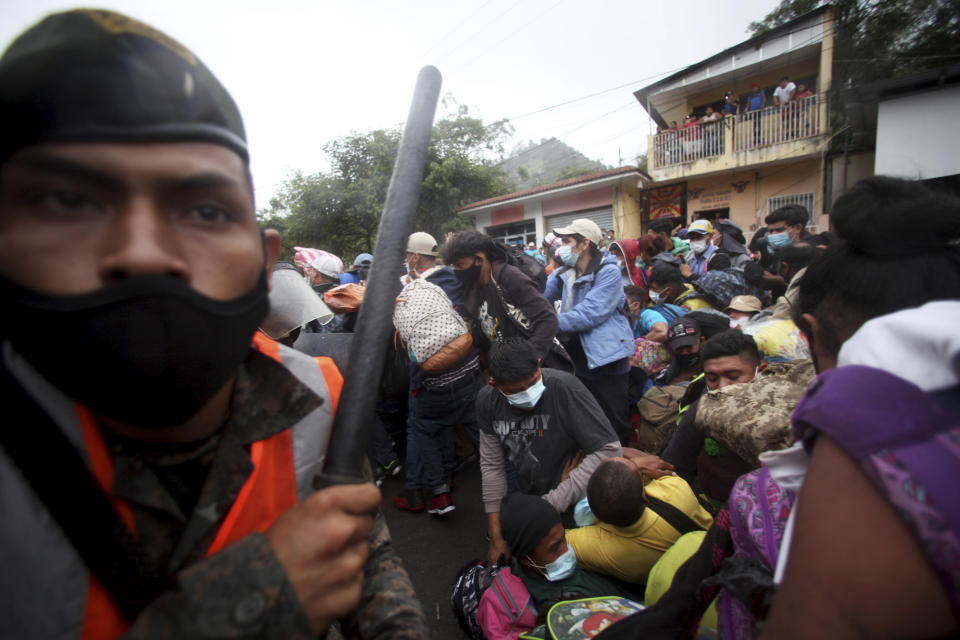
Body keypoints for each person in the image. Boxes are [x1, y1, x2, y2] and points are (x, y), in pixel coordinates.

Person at [0, 9, 425, 639]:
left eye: (203, 207)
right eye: (68, 200)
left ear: (264, 261)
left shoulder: (316, 395)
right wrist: (244, 607)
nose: (144, 252)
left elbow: (364, 557)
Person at [477, 338, 622, 565]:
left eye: (533, 382)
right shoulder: (487, 402)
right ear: (495, 384)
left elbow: (608, 450)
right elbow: (492, 466)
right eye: (516, 391)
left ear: (538, 364)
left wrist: (546, 506)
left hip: (577, 500)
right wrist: (496, 537)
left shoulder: (565, 388)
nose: (528, 394)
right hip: (534, 493)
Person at [392, 232, 484, 516]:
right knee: (481, 430)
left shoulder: (415, 290)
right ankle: (511, 480)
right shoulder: (457, 277)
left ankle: (434, 493)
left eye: (408, 255)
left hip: (432, 380)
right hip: (469, 368)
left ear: (415, 257)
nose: (406, 260)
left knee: (421, 427)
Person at [545, 218, 636, 444]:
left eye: (567, 241)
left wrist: (545, 323)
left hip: (606, 359)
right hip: (577, 359)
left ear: (584, 244)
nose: (562, 247)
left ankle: (623, 468)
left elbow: (589, 314)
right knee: (586, 419)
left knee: (614, 422)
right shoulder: (563, 273)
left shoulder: (608, 272)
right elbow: (539, 299)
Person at [565, 457, 714, 584]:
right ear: (643, 494)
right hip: (712, 550)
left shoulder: (610, 551)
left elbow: (559, 541)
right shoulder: (675, 487)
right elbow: (656, 467)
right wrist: (635, 464)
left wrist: (567, 487)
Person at [442, 231, 561, 367]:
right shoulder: (474, 289)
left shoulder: (508, 277)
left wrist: (530, 361)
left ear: (479, 259)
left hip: (536, 371)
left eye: (459, 265)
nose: (456, 271)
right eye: (453, 266)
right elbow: (489, 331)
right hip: (507, 372)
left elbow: (547, 318)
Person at [499, 493, 636, 609]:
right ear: (526, 559)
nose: (566, 550)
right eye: (554, 548)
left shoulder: (546, 568)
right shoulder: (561, 605)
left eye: (564, 538)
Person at [648, 263, 713, 313]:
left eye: (654, 289)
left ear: (668, 290)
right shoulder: (669, 298)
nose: (651, 292)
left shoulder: (692, 309)